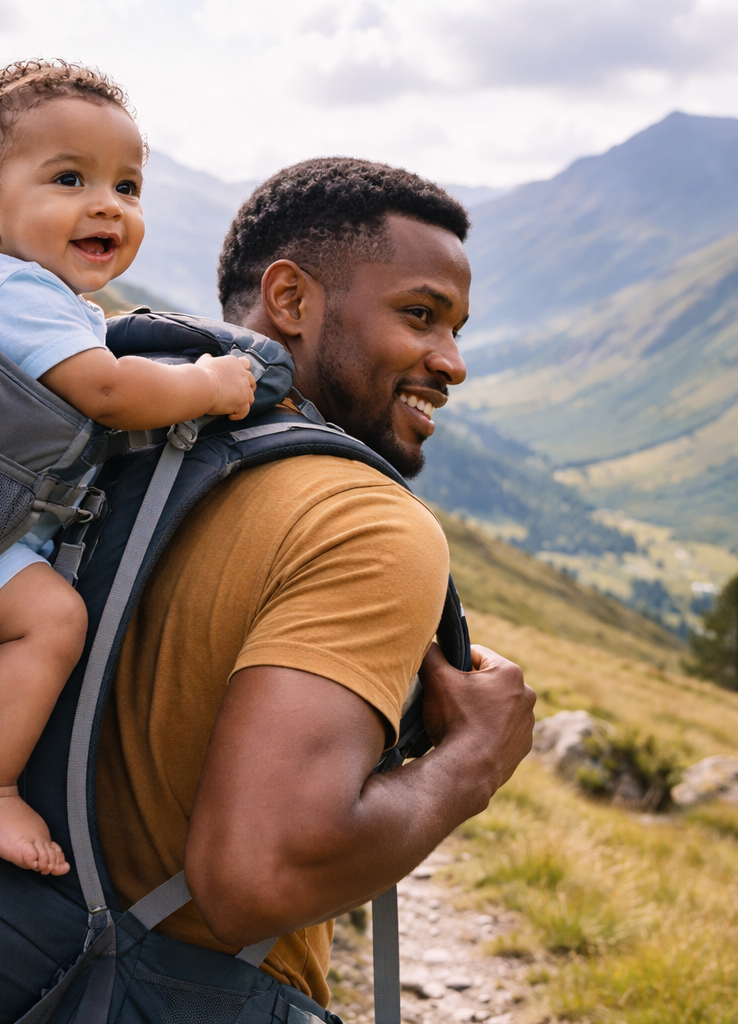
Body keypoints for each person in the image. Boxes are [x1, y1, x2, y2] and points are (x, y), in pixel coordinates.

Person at [95, 157, 537, 1007]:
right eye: (420, 315)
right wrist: (474, 762)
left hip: (4, 962)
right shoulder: (366, 524)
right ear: (291, 301)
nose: (452, 363)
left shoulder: (117, 441)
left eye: (458, 329)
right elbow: (256, 877)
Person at [0, 60, 258, 875]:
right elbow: (108, 391)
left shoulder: (18, 291)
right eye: (69, 178)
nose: (108, 203)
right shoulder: (13, 295)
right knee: (53, 620)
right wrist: (209, 384)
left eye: (129, 185)